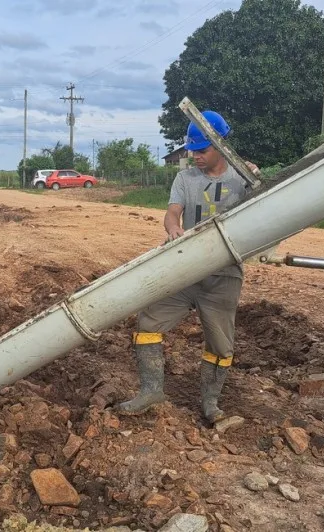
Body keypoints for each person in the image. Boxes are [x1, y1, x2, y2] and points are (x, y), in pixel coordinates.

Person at [115, 110, 257, 425]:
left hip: (223, 275)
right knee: (149, 322)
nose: (195, 157)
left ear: (221, 145)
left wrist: (255, 182)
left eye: (202, 150)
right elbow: (172, 212)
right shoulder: (186, 178)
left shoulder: (243, 178)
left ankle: (211, 404)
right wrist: (173, 228)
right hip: (187, 269)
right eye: (192, 150)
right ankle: (152, 391)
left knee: (220, 344)